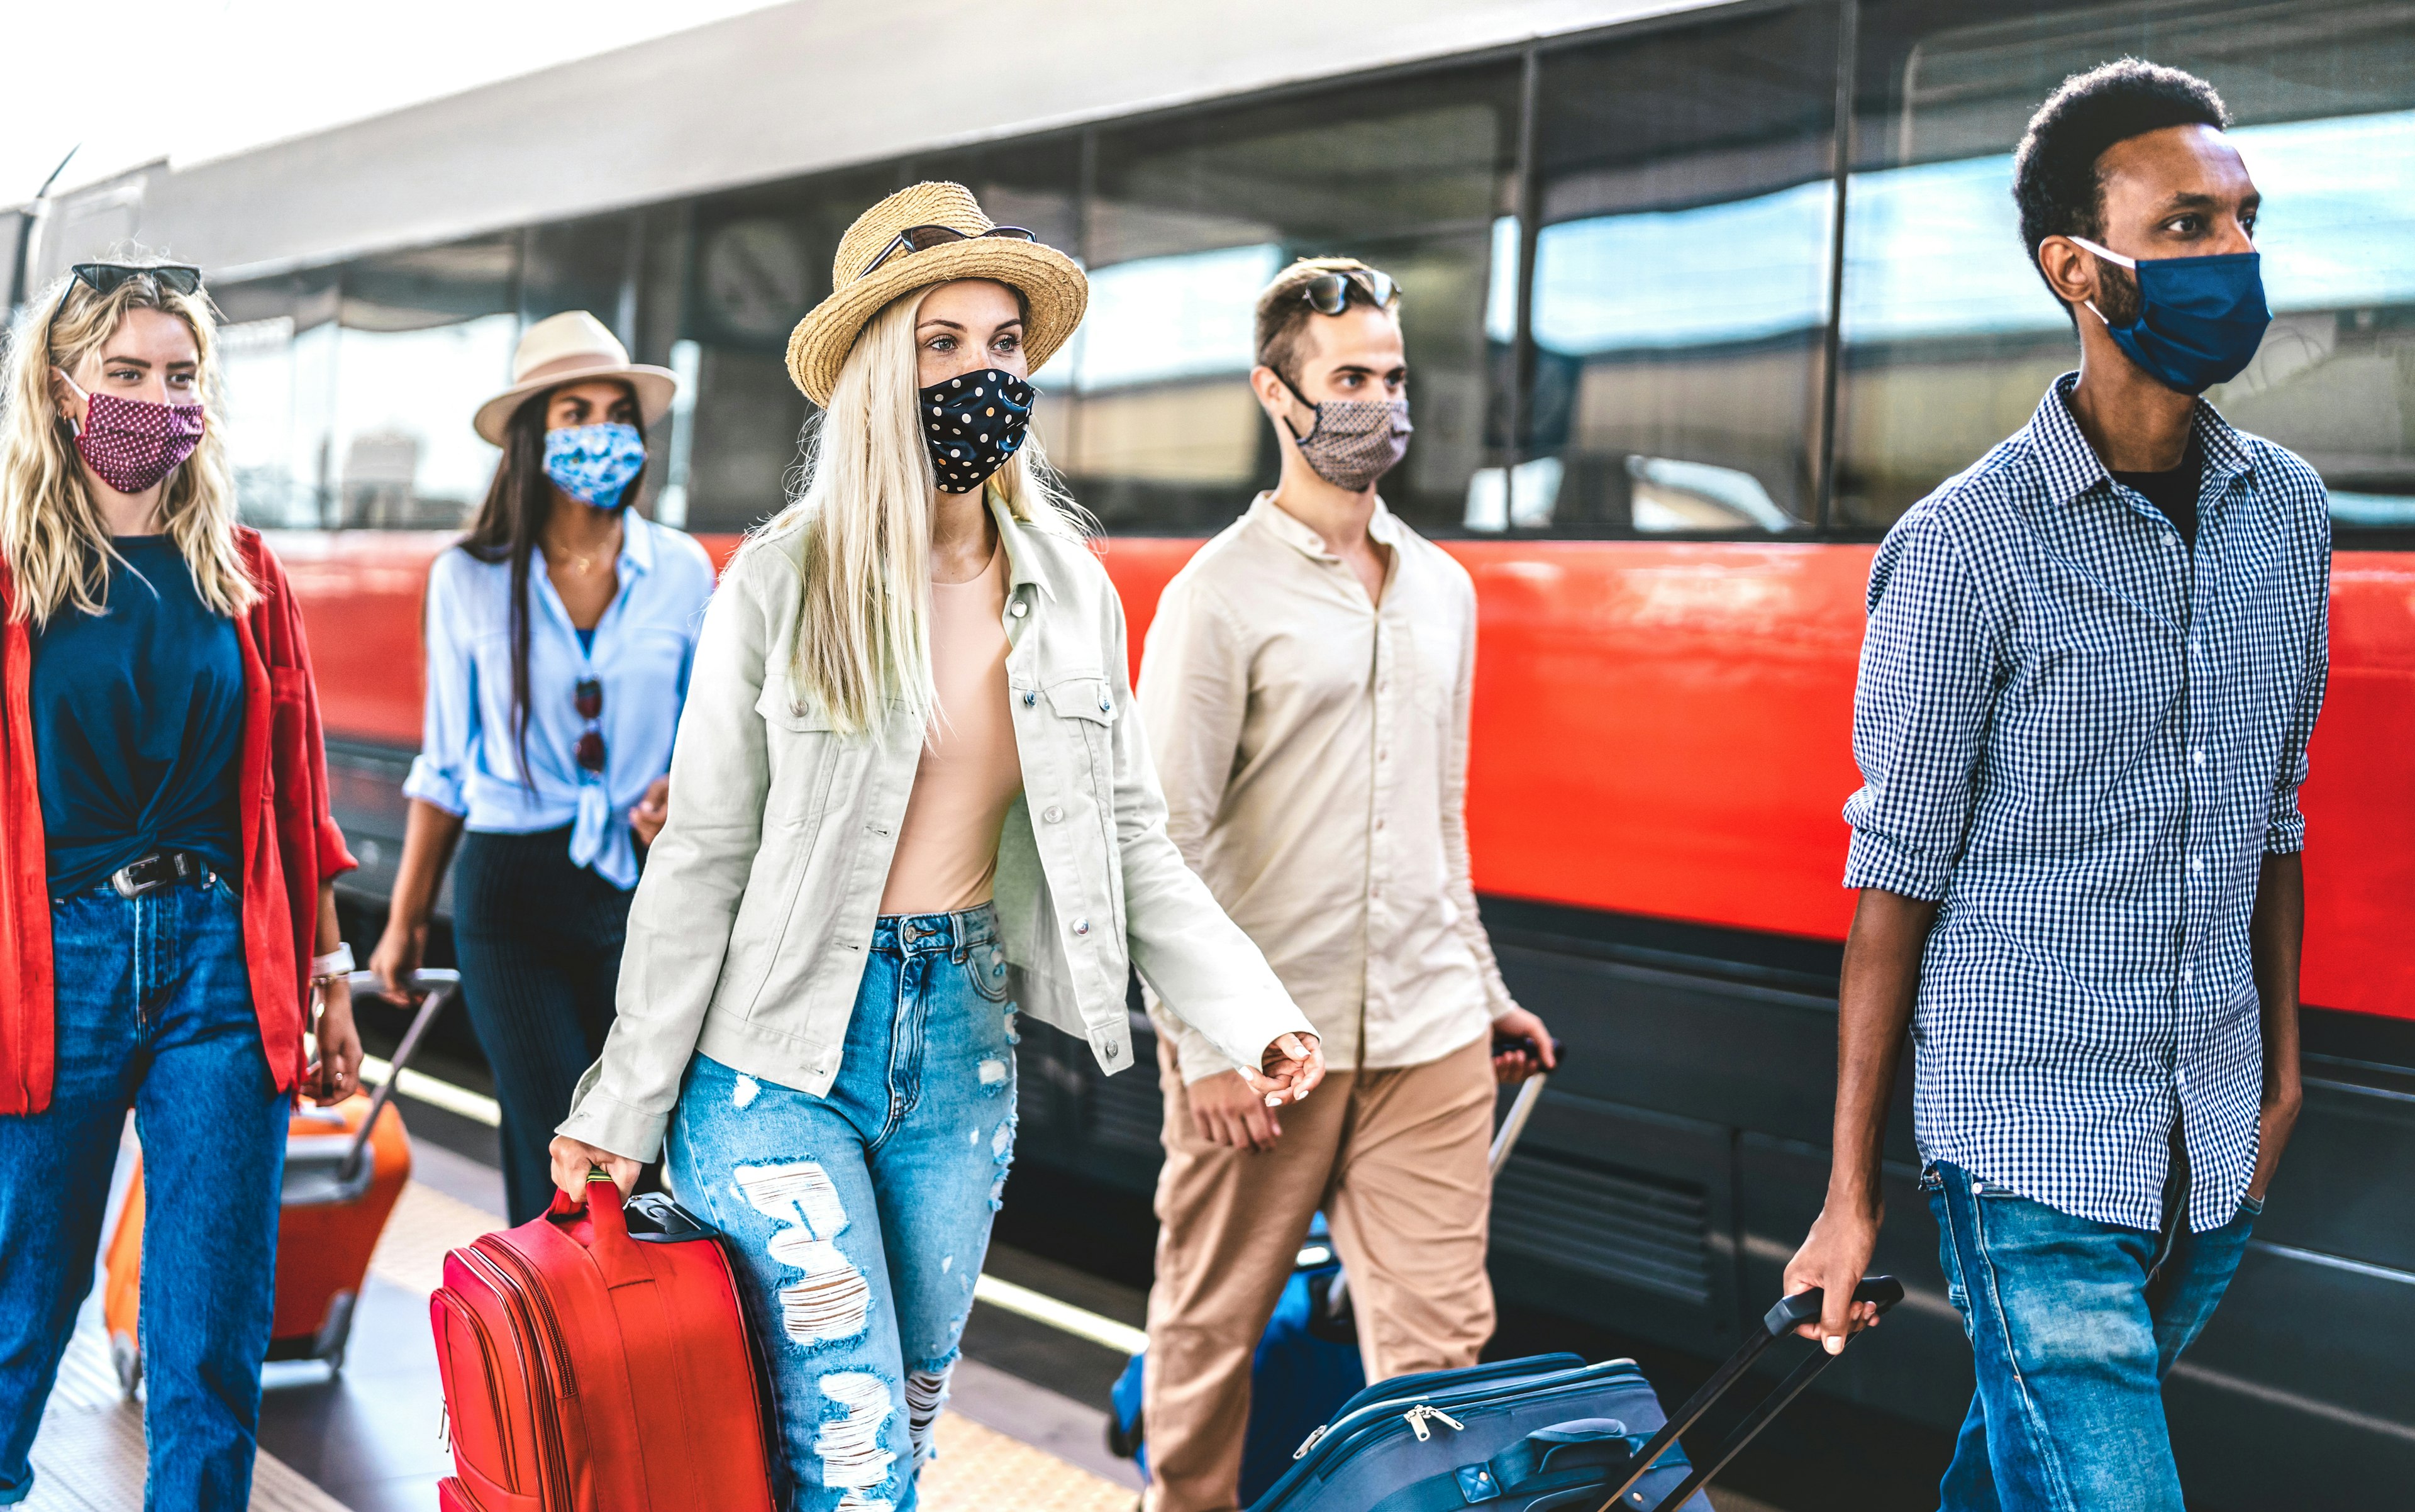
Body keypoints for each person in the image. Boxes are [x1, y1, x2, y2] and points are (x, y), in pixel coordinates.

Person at [545, 182, 1324, 1511]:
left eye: (1003, 343)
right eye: (940, 344)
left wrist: (1253, 1014)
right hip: (776, 1059)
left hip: (961, 1045)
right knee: (848, 1450)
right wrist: (623, 1104)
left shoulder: (1069, 585)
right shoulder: (784, 580)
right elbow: (705, 855)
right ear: (870, 377)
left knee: (899, 1424)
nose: (982, 372)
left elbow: (1132, 837)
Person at [1782, 61, 2328, 1511]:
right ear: (2078, 268)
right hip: (2025, 1125)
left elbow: (2273, 807)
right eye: (2192, 227)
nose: (2238, 259)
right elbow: (1890, 882)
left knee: (2019, 1468)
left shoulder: (2289, 514)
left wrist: (2279, 1071)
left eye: (2246, 222)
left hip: (2211, 1127)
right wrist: (1852, 1193)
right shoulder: (1965, 545)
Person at [1135, 256, 1555, 1512]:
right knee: (1210, 1334)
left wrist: (1483, 989)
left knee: (1441, 1351)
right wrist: (1203, 1040)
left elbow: (1438, 820)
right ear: (1278, 394)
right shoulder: (1218, 594)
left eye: (1393, 377)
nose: (1381, 403)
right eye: (1350, 379)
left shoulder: (1443, 587)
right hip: (1268, 1038)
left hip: (1428, 1030)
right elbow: (1159, 838)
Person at [0, 262, 360, 1508]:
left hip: (224, 963)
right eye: (129, 374)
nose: (160, 400)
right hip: (58, 964)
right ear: (61, 391)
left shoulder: (245, 573)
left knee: (211, 1337)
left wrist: (330, 981)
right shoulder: (11, 576)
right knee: (19, 1316)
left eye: (183, 375)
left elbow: (301, 801)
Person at [370, 311, 714, 1224]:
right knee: (558, 1145)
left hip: (641, 889)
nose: (600, 432)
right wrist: (406, 922)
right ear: (534, 436)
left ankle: (628, 1349)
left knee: (645, 1146)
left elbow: (709, 739)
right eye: (575, 412)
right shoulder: (469, 579)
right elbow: (445, 768)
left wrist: (683, 791)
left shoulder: (682, 570)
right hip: (508, 895)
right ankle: (553, 1359)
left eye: (616, 413)